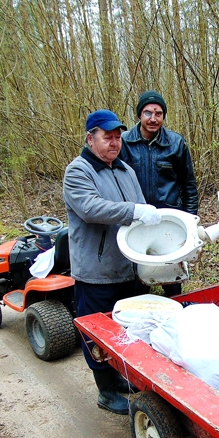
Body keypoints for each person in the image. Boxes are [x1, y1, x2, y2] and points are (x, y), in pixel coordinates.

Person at [63, 109, 161, 414]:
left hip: (128, 268)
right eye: (108, 137)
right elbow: (92, 209)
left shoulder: (125, 171)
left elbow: (141, 211)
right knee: (98, 334)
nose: (114, 143)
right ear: (91, 139)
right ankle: (106, 391)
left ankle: (121, 377)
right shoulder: (78, 172)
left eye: (118, 137)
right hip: (96, 271)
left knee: (128, 330)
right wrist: (135, 211)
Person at [120, 90, 199, 297]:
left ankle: (175, 320)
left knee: (173, 282)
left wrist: (190, 223)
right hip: (136, 223)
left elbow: (188, 185)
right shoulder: (124, 143)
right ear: (139, 115)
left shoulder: (176, 143)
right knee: (137, 285)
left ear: (163, 116)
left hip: (169, 223)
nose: (153, 119)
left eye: (158, 113)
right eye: (147, 113)